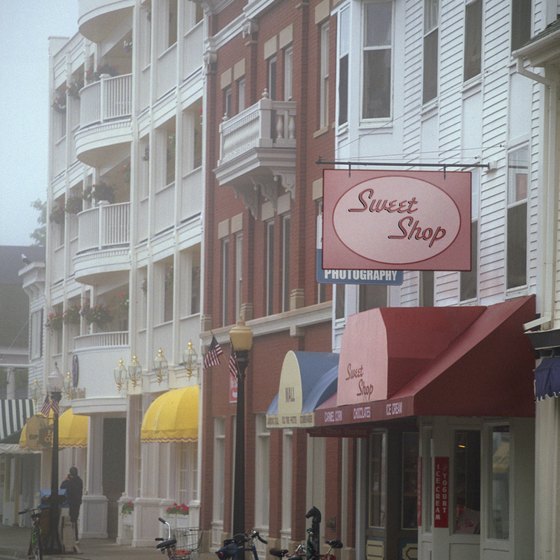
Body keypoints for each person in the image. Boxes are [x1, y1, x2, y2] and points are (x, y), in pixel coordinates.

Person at [60, 466, 83, 542]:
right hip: (77, 503)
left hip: (69, 503)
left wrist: (66, 480)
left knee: (67, 520)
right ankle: (75, 537)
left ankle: (66, 537)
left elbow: (62, 488)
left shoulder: (68, 482)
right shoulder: (80, 481)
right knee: (75, 520)